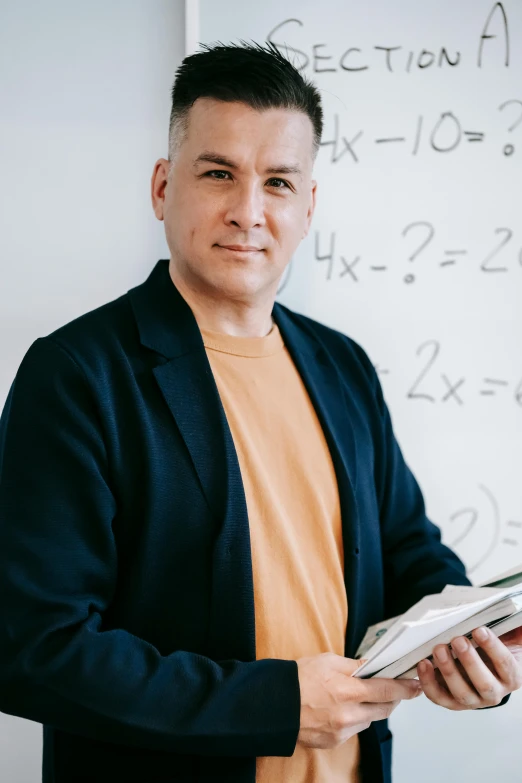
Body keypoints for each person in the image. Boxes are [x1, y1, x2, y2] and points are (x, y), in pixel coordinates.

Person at [0, 41, 520, 783]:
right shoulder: (78, 374)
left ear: (307, 206)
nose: (248, 211)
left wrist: (474, 646)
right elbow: (31, 646)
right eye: (219, 173)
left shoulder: (341, 365)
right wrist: (271, 702)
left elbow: (411, 553)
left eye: (278, 182)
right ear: (161, 186)